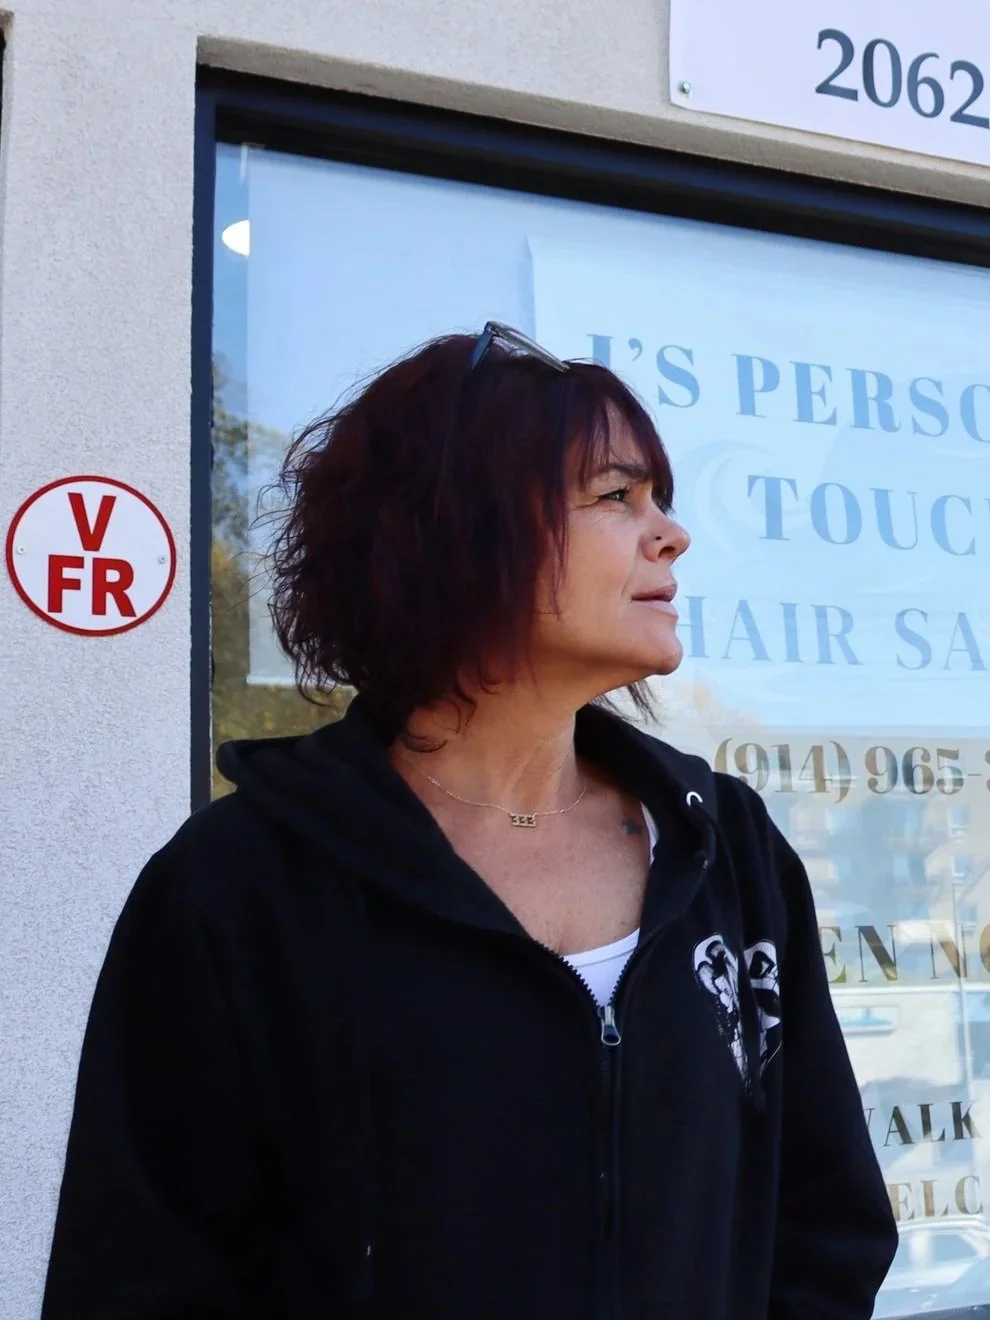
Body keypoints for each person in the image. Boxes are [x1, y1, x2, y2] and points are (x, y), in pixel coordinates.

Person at [42, 323, 897, 1319]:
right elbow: (140, 1276)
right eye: (616, 497)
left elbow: (825, 1223)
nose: (670, 533)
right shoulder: (241, 888)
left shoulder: (727, 850)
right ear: (459, 531)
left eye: (659, 497)